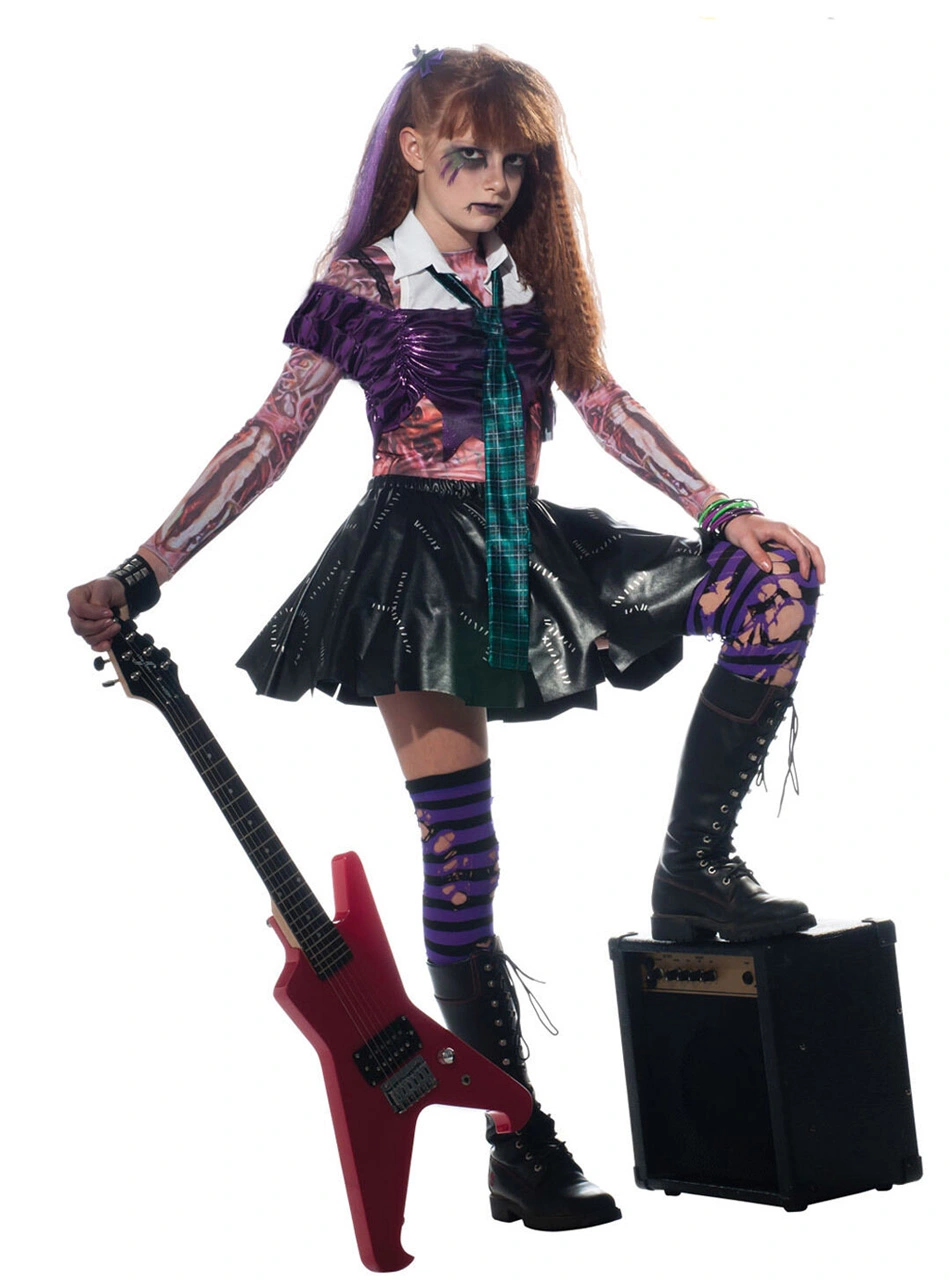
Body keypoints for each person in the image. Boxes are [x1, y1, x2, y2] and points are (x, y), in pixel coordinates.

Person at [68, 45, 824, 1233]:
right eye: (469, 156)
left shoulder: (529, 271)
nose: (494, 181)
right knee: (466, 861)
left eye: (515, 163)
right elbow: (271, 434)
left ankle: (694, 866)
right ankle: (520, 1136)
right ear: (416, 150)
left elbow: (602, 401)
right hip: (417, 568)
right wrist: (144, 567)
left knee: (777, 586)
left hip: (534, 541)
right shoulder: (365, 278)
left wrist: (723, 509)